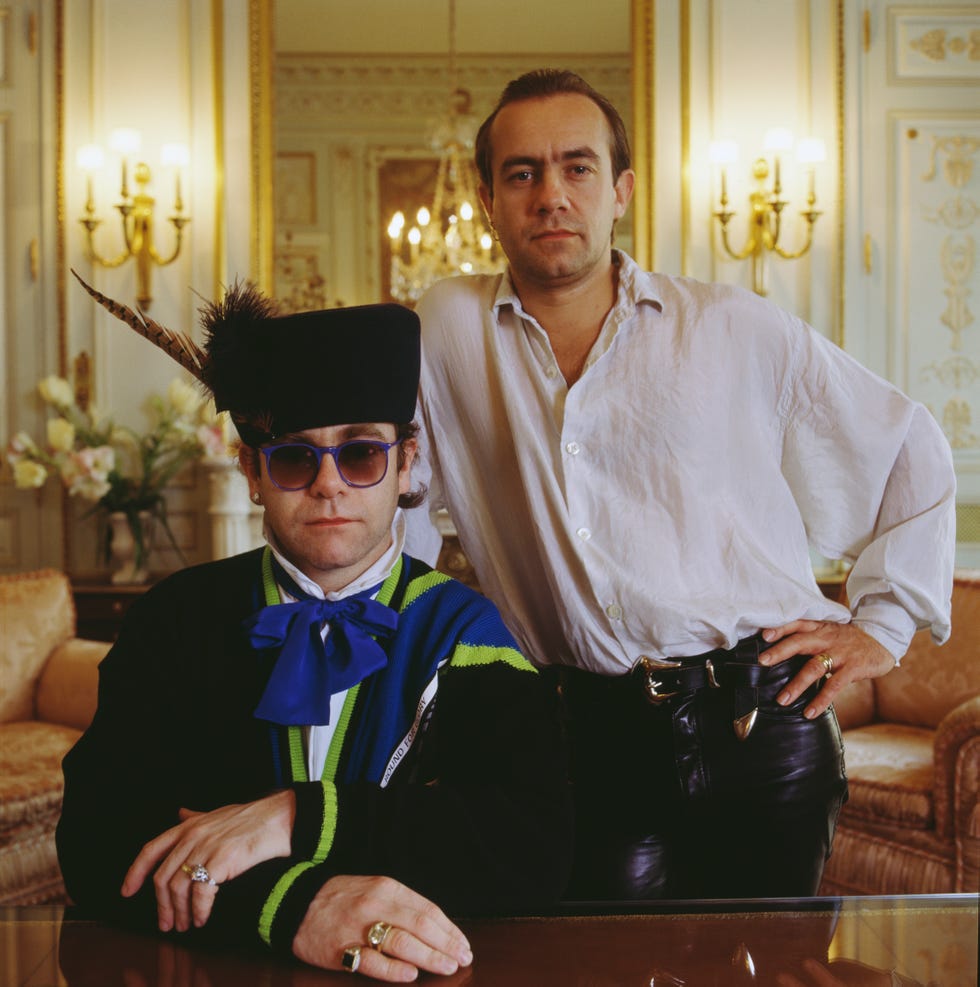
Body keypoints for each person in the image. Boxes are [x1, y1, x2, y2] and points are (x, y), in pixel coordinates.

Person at [414, 69, 956, 900]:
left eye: (578, 167)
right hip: (576, 732)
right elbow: (391, 487)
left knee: (760, 967)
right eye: (522, 173)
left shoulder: (731, 325)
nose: (550, 194)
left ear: (622, 189)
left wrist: (882, 626)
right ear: (488, 198)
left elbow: (907, 443)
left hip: (765, 719)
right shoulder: (444, 331)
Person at [57, 277, 573, 981]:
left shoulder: (468, 633)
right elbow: (97, 838)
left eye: (360, 454)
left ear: (405, 465)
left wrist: (295, 815)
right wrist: (294, 903)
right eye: (296, 457)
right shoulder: (174, 620)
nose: (329, 483)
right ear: (251, 471)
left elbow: (530, 845)